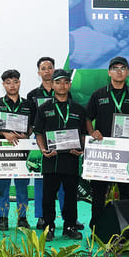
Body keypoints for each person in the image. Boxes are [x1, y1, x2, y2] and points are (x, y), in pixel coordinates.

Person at [86, 56, 129, 231]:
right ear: (109, 72)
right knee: (99, 193)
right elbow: (88, 118)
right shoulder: (98, 95)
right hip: (104, 152)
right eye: (115, 68)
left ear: (127, 72)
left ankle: (127, 229)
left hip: (127, 153)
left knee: (126, 192)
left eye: (122, 68)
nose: (119, 72)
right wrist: (92, 132)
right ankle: (96, 227)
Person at [34, 69, 86, 241]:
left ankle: (70, 227)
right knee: (48, 196)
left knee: (71, 196)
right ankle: (48, 227)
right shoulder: (44, 108)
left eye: (65, 82)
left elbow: (83, 133)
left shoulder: (78, 108)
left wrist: (81, 149)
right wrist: (43, 149)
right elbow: (38, 132)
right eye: (58, 82)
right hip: (51, 159)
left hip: (71, 159)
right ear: (52, 84)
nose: (62, 85)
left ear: (69, 84)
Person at [0, 69, 36, 230]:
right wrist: (4, 133)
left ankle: (22, 218)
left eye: (15, 82)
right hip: (2, 150)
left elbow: (32, 126)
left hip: (22, 149)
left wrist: (27, 134)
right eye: (8, 83)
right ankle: (3, 218)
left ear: (19, 83)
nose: (12, 86)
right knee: (3, 188)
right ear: (3, 85)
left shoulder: (29, 104)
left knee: (22, 187)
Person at [26, 57, 66, 230]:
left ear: (54, 70)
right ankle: (42, 216)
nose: (47, 71)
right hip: (41, 140)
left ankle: (68, 217)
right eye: (43, 68)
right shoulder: (32, 95)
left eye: (50, 67)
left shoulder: (64, 90)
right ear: (39, 72)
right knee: (41, 180)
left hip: (62, 140)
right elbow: (30, 120)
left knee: (65, 179)